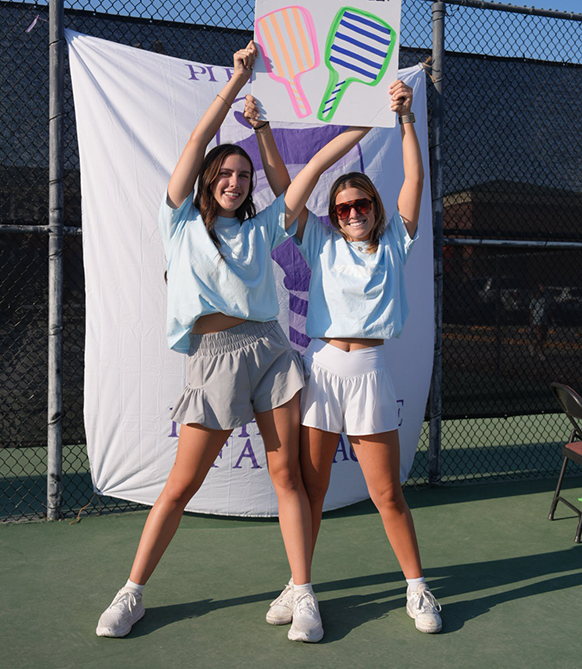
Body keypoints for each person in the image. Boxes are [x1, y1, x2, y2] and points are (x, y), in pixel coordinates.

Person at [96, 42, 372, 643]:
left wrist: (360, 125)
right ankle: (132, 592)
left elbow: (313, 171)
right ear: (206, 181)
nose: (233, 180)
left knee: (288, 478)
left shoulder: (263, 225)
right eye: (223, 173)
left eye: (242, 175)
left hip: (270, 352)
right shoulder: (179, 220)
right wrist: (237, 84)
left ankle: (303, 595)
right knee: (180, 486)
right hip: (213, 362)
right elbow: (198, 144)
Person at [244, 78, 442, 636]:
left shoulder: (397, 240)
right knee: (312, 491)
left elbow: (415, 180)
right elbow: (287, 186)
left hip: (370, 375)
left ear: (375, 209)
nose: (353, 211)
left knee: (386, 494)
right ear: (333, 214)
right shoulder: (320, 240)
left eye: (361, 203)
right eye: (344, 206)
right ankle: (299, 586)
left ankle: (417, 589)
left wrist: (405, 120)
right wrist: (262, 130)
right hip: (323, 372)